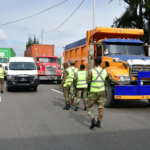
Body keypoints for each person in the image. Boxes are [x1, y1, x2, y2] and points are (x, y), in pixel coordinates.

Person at [86, 57, 120, 129]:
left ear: (94, 63)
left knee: (89, 107)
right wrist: (116, 82)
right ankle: (99, 122)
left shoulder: (91, 71)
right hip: (101, 91)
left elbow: (88, 81)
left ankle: (93, 120)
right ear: (101, 63)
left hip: (93, 92)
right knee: (101, 106)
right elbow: (110, 79)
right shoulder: (105, 71)